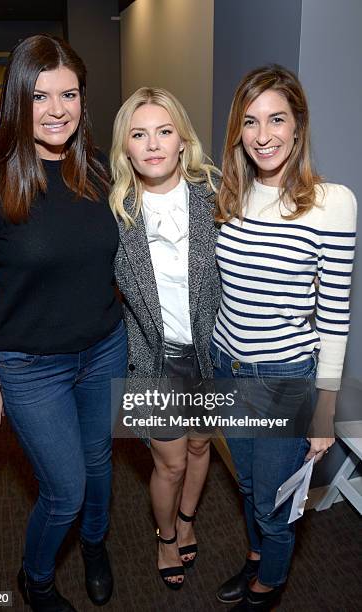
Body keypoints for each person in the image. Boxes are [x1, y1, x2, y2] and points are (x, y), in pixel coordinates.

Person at [0, 35, 127, 611]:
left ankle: (95, 547)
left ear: (82, 99)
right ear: (17, 103)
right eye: (40, 95)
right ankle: (38, 577)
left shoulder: (100, 172)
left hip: (104, 348)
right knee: (66, 490)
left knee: (100, 465)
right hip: (29, 366)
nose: (57, 109)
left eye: (69, 94)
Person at [211, 64, 357, 611]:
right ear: (238, 131)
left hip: (282, 380)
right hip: (228, 368)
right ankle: (256, 560)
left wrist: (324, 413)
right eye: (250, 122)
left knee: (274, 504)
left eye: (277, 119)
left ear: (299, 126)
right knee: (248, 486)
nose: (263, 135)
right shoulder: (230, 196)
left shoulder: (331, 203)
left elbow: (334, 318)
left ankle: (268, 586)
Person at [110, 87, 221, 590]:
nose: (152, 144)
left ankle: (191, 519)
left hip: (211, 354)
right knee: (170, 463)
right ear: (125, 148)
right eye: (139, 134)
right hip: (152, 360)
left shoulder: (216, 200)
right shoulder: (113, 215)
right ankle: (166, 534)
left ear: (182, 141)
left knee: (201, 449)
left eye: (164, 131)